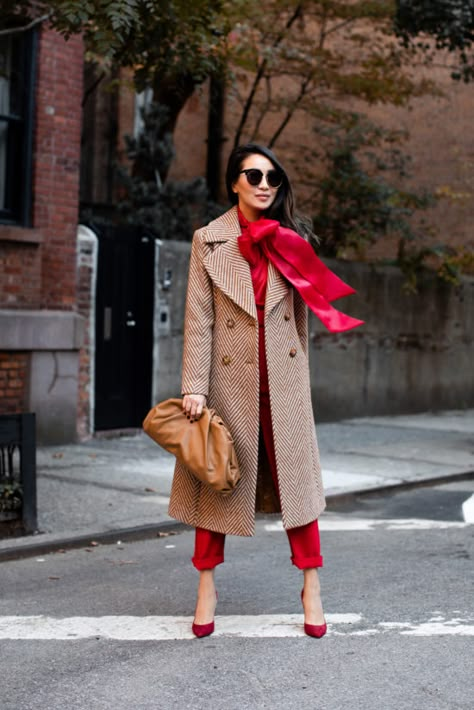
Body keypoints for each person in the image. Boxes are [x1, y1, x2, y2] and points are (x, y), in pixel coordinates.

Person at [168, 143, 363, 638]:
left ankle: (312, 585)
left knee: (300, 490)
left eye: (272, 178)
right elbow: (199, 319)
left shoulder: (290, 239)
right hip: (228, 382)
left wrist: (300, 379)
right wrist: (193, 386)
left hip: (283, 378)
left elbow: (301, 322)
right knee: (215, 480)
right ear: (234, 181)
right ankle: (206, 587)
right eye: (253, 175)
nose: (263, 185)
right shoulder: (208, 241)